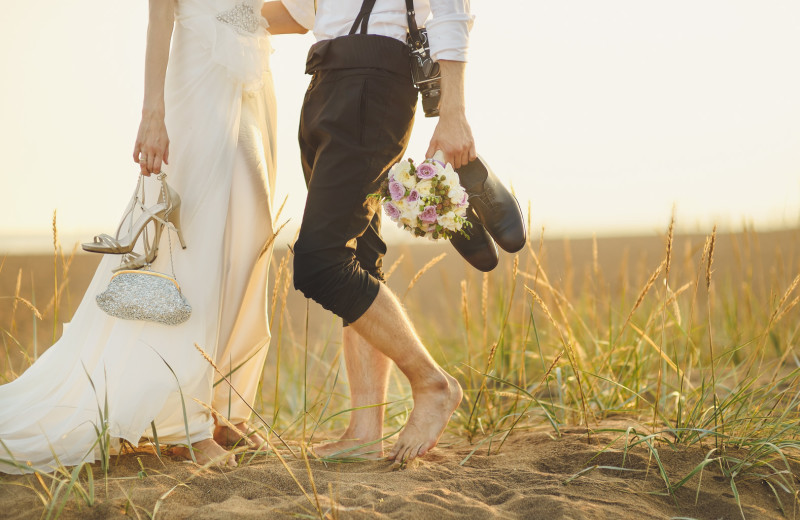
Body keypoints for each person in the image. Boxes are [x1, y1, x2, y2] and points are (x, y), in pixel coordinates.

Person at [0, 0, 306, 474]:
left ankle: (222, 402)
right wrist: (153, 113)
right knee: (193, 242)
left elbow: (299, 16)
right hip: (199, 80)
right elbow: (160, 15)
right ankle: (186, 425)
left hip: (249, 79)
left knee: (251, 237)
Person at [279, 0, 484, 463]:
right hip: (325, 78)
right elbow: (303, 12)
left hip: (372, 83)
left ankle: (431, 383)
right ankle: (365, 432)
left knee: (320, 262)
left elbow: (452, 12)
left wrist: (453, 112)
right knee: (359, 260)